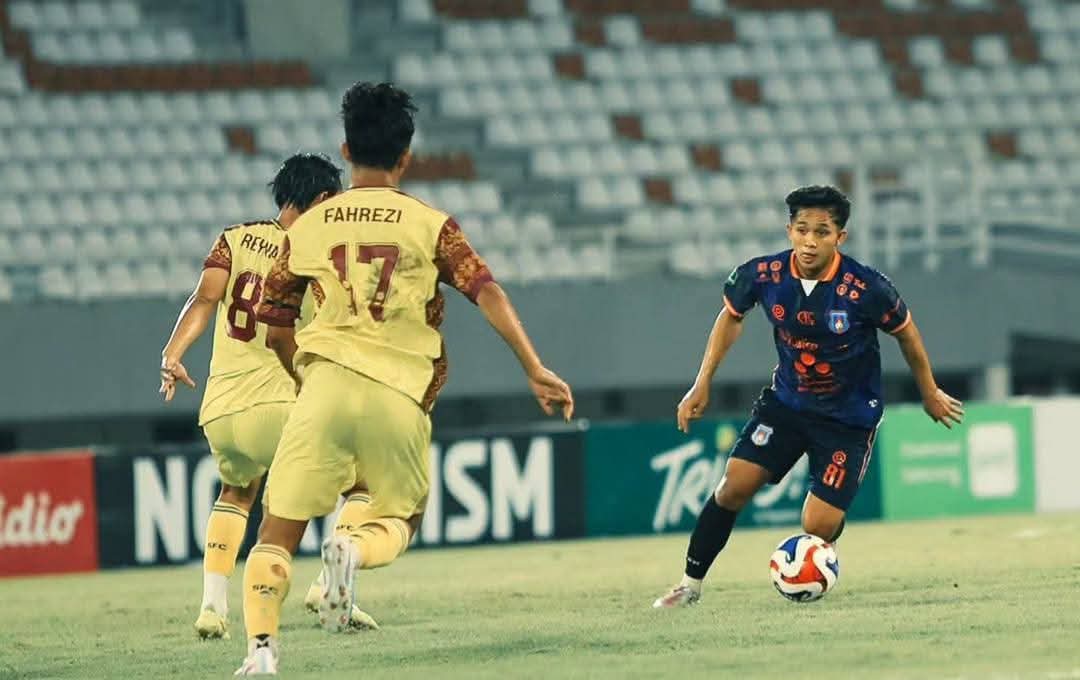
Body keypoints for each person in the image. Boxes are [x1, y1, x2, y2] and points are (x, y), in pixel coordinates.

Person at [233, 82, 574, 675]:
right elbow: (484, 289)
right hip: (399, 393)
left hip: (326, 388)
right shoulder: (430, 224)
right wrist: (534, 366)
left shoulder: (308, 227)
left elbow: (274, 320)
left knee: (275, 531)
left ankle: (261, 652)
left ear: (344, 149)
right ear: (406, 155)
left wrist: (302, 376)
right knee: (402, 517)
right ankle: (352, 549)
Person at [652, 185, 964, 609]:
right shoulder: (762, 275)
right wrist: (702, 381)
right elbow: (731, 316)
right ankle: (690, 585)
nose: (810, 241)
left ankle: (819, 555)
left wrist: (929, 391)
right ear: (789, 231)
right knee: (732, 487)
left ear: (840, 237)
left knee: (816, 524)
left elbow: (905, 332)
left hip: (848, 421)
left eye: (822, 232)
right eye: (802, 230)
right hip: (787, 406)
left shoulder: (867, 287)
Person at [158, 152, 342, 639]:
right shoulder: (311, 256)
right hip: (275, 405)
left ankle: (212, 607)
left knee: (237, 492)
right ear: (321, 200)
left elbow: (203, 299)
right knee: (359, 471)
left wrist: (173, 353)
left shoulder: (234, 238)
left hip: (219, 410)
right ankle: (329, 585)